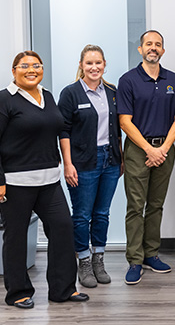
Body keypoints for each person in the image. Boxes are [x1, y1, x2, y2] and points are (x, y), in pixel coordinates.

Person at [0, 51, 88, 309]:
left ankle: (62, 289)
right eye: (24, 65)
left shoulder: (47, 95)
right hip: (16, 182)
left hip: (49, 179)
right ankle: (18, 293)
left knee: (62, 228)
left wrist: (66, 162)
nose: (31, 70)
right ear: (14, 70)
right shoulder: (5, 99)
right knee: (15, 237)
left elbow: (60, 128)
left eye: (36, 65)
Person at [117, 30, 175, 285]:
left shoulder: (174, 80)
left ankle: (151, 254)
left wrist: (163, 148)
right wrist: (149, 149)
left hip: (165, 150)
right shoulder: (128, 80)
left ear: (163, 50)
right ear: (140, 49)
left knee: (156, 205)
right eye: (148, 44)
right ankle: (135, 259)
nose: (153, 48)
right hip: (138, 150)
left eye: (157, 45)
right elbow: (124, 121)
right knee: (136, 206)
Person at [58, 45, 122, 288]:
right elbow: (63, 130)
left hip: (110, 160)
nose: (94, 67)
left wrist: (121, 158)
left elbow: (117, 129)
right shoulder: (70, 93)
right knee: (82, 215)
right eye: (89, 63)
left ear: (105, 64)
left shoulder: (113, 92)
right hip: (83, 162)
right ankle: (83, 261)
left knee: (102, 214)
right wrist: (68, 164)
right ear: (81, 65)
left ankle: (99, 259)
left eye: (98, 63)